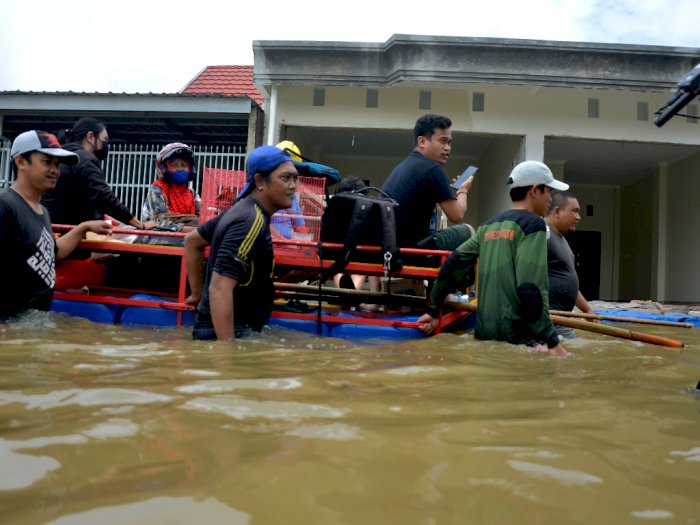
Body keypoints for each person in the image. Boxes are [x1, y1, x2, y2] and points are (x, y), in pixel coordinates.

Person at [417, 160, 569, 357]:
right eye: (548, 191)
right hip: (520, 341)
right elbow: (530, 287)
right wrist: (552, 341)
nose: (550, 199)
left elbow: (453, 262)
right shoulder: (533, 226)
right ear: (534, 190)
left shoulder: (488, 227)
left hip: (484, 336)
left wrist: (433, 310)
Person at [184, 145, 298, 341]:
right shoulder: (250, 220)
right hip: (230, 332)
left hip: (225, 329)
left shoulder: (240, 210)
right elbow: (220, 288)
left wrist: (197, 295)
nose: (293, 186)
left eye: (295, 178)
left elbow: (192, 240)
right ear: (260, 181)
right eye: (285, 178)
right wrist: (227, 353)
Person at [0, 130, 113, 320]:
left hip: (33, 318)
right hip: (10, 320)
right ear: (20, 162)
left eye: (57, 164)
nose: (55, 170)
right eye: (46, 162)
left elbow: (54, 253)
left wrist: (82, 228)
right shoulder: (6, 205)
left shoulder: (42, 212)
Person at [381, 114, 475, 249]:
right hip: (411, 250)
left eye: (449, 142)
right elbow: (457, 215)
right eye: (442, 141)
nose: (447, 148)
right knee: (468, 231)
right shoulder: (433, 169)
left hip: (389, 246)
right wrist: (463, 191)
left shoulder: (405, 166)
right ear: (422, 141)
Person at [41, 117, 147, 230]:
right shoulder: (85, 158)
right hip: (72, 232)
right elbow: (104, 196)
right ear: (90, 137)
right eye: (104, 140)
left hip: (53, 227)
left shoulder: (65, 156)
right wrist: (140, 224)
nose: (105, 145)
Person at [545, 191, 597, 338]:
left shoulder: (561, 239)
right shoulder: (543, 233)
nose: (578, 217)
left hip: (564, 321)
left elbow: (567, 282)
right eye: (575, 211)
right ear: (557, 211)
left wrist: (586, 309)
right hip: (548, 322)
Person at [140, 142, 201, 245]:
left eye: (183, 165)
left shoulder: (191, 193)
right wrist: (193, 230)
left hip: (187, 238)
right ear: (164, 168)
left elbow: (203, 217)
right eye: (174, 165)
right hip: (158, 238)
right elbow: (161, 223)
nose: (180, 168)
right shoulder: (157, 189)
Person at [270, 141, 305, 240]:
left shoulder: (291, 195)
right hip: (270, 244)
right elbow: (264, 223)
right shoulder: (266, 192)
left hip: (287, 246)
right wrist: (283, 241)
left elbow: (299, 224)